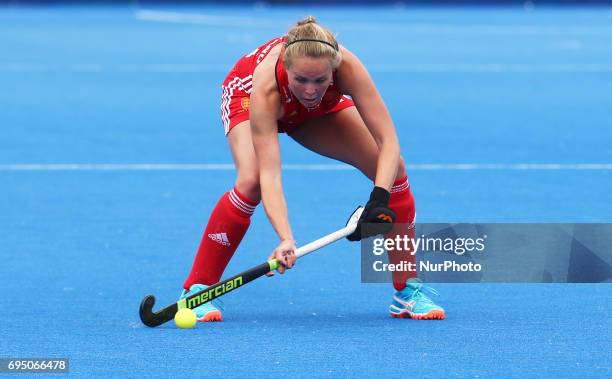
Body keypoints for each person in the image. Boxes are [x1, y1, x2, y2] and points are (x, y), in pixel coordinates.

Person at [181, 16, 445, 321]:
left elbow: (389, 140)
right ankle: (198, 287)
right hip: (246, 96)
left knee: (393, 170)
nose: (309, 90)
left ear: (333, 71)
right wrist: (285, 239)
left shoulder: (348, 67)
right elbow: (271, 175)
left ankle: (408, 292)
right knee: (251, 180)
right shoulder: (264, 88)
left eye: (320, 80)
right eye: (301, 80)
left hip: (319, 112)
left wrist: (380, 198)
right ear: (287, 69)